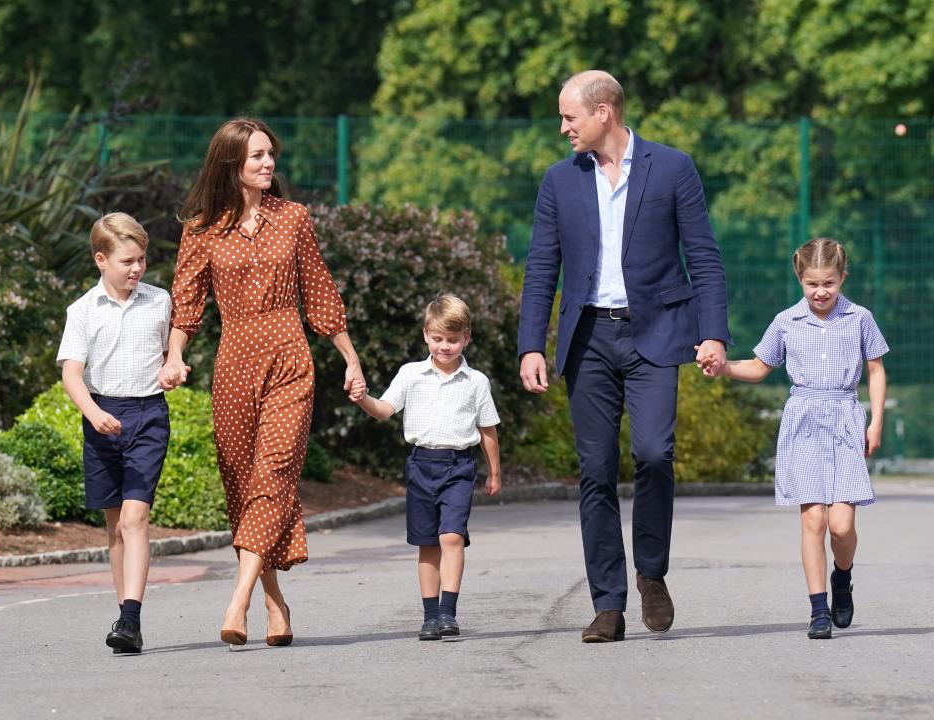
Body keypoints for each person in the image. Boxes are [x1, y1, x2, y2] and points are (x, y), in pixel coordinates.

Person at [517, 70, 732, 642]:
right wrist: (531, 344)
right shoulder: (559, 181)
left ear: (604, 112)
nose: (563, 128)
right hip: (587, 339)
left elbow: (704, 257)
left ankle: (652, 573)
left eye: (570, 117)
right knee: (595, 471)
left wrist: (713, 333)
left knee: (655, 454)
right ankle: (607, 603)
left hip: (657, 333)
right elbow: (542, 267)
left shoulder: (673, 167)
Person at [159, 118, 366, 647]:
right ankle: (277, 605)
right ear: (232, 164)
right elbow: (186, 305)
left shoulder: (293, 218)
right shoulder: (202, 228)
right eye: (256, 156)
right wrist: (175, 358)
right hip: (233, 367)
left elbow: (319, 292)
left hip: (289, 358)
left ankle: (238, 600)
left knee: (273, 473)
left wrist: (350, 359)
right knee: (245, 486)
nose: (269, 163)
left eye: (270, 154)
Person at [698, 238, 888, 639]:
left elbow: (875, 370)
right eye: (812, 284)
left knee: (841, 526)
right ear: (799, 279)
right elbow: (759, 366)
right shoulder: (786, 321)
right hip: (802, 421)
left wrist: (875, 423)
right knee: (814, 520)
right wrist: (723, 367)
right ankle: (819, 610)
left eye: (829, 283)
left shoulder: (860, 318)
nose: (820, 292)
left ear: (842, 278)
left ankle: (842, 576)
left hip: (844, 419)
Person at [352, 294, 501, 640]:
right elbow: (385, 409)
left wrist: (494, 471)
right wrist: (362, 398)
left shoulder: (476, 381)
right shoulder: (411, 374)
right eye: (438, 339)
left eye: (452, 339)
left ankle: (449, 612)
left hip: (459, 466)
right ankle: (431, 616)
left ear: (466, 338)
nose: (445, 346)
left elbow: (488, 429)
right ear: (426, 335)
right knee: (427, 544)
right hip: (421, 465)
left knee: (451, 536)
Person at [57, 213, 172, 654]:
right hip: (101, 416)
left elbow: (169, 351)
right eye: (127, 261)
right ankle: (127, 618)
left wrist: (172, 366)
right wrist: (92, 412)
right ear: (101, 260)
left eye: (142, 259)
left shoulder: (159, 301)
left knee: (134, 518)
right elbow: (72, 373)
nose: (136, 269)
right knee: (115, 530)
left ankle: (130, 618)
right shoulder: (83, 310)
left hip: (147, 416)